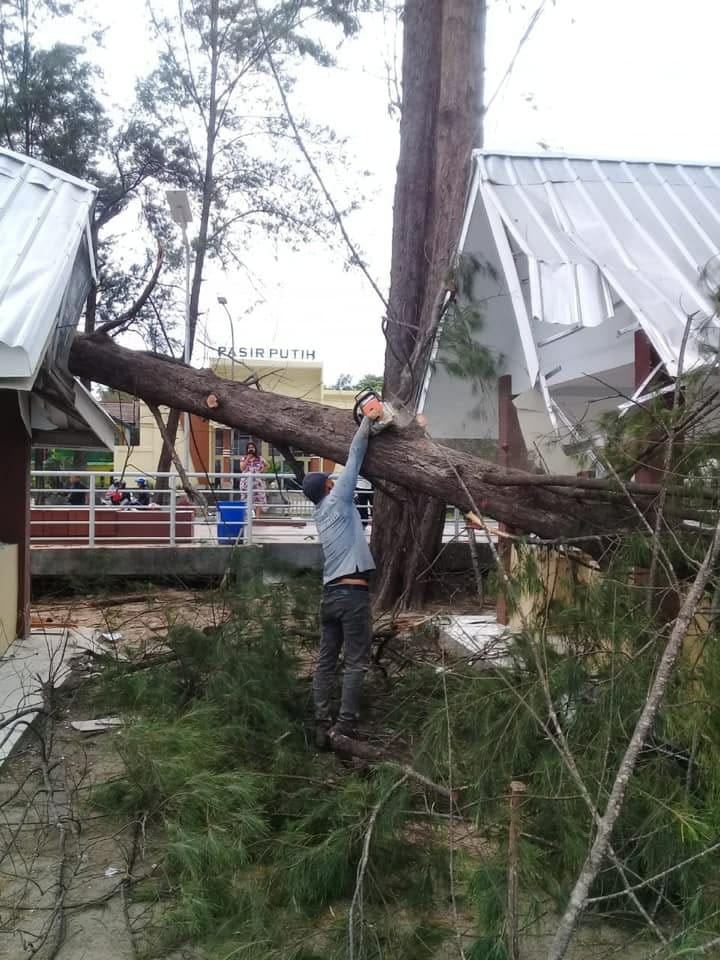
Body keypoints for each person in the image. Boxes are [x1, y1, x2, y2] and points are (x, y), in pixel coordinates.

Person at [302, 417, 375, 748]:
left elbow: (335, 470)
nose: (335, 481)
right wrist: (368, 422)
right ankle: (344, 727)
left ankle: (321, 724)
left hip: (329, 596)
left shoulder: (320, 510)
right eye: (332, 480)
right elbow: (356, 454)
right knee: (356, 660)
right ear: (330, 488)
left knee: (326, 661)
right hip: (351, 593)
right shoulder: (338, 500)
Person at [239, 441, 268, 518]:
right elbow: (242, 468)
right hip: (246, 482)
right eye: (249, 448)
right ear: (247, 449)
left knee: (258, 499)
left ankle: (258, 518)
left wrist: (260, 471)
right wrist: (248, 458)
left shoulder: (260, 458)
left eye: (252, 447)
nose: (251, 449)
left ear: (255, 449)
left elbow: (267, 465)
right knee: (246, 499)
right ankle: (247, 517)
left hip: (257, 482)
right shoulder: (243, 458)